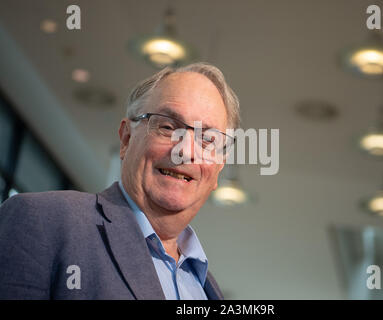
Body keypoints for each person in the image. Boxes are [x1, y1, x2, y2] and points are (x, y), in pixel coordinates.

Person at [0, 62, 240, 299]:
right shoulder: (42, 221)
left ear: (218, 168)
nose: (185, 151)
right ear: (126, 138)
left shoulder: (207, 288)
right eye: (167, 127)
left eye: (207, 140)